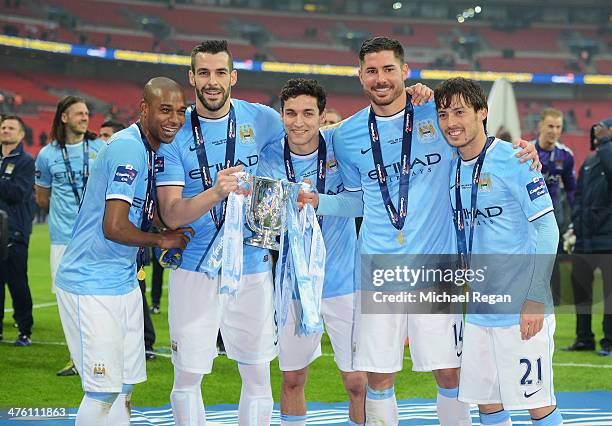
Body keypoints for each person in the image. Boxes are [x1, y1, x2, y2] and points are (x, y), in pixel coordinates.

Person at [321, 37, 539, 425]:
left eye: (389, 69)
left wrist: (522, 152)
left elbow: (477, 141)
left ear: (406, 71)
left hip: (437, 267)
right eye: (371, 71)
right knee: (379, 375)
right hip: (379, 269)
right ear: (360, 77)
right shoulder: (347, 135)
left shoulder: (435, 115)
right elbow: (358, 200)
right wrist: (315, 202)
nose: (381, 78)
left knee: (450, 371)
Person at [155, 40, 285, 426]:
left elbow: (309, 131)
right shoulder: (176, 133)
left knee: (258, 373)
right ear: (191, 77)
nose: (212, 82)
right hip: (195, 268)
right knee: (189, 374)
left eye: (220, 73)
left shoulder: (263, 119)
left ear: (233, 77)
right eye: (204, 73)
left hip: (252, 266)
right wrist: (215, 191)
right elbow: (172, 213)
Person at [54, 77, 193, 425]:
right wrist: (161, 240)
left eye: (180, 111)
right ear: (144, 109)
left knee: (126, 384)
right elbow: (113, 226)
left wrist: (161, 227)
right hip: (91, 284)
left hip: (123, 280)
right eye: (165, 110)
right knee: (102, 392)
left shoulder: (149, 148)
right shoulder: (128, 148)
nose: (174, 119)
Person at [435, 77, 562, 426]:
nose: (451, 122)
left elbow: (548, 230)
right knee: (487, 404)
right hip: (477, 312)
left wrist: (535, 298)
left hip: (521, 308)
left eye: (460, 112)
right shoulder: (447, 165)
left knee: (538, 403)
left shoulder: (514, 159)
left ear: (482, 112)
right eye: (443, 114)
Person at [257, 78, 366, 425]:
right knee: (292, 378)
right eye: (290, 113)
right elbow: (266, 221)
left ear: (322, 116)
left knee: (356, 382)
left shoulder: (340, 149)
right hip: (294, 283)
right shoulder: (269, 156)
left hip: (342, 281)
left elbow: (359, 202)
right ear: (281, 115)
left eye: (307, 113)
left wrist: (321, 202)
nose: (298, 122)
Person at [34, 96, 104, 376]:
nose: (85, 118)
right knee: (67, 301)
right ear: (63, 117)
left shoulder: (100, 148)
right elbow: (42, 199)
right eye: (79, 113)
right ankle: (78, 359)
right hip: (63, 238)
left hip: (98, 237)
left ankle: (101, 354)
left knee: (98, 298)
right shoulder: (47, 155)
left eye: (87, 113)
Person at [565, 118, 612, 356]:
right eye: (596, 131)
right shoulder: (590, 161)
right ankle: (584, 338)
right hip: (585, 239)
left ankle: (610, 341)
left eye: (603, 130)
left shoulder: (606, 156)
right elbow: (580, 197)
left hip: (608, 239)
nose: (597, 134)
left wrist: (605, 143)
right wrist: (575, 225)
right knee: (581, 290)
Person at [532, 108, 576, 305]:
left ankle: (555, 299)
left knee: (554, 258)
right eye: (550, 126)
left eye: (558, 127)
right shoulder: (526, 152)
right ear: (540, 125)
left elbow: (571, 189)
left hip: (553, 215)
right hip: (529, 215)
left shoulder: (565, 156)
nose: (554, 131)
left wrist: (575, 219)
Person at [0, 115, 34, 346]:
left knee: (17, 282)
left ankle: (24, 329)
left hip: (14, 231)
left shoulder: (25, 161)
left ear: (21, 134)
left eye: (11, 128)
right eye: (3, 127)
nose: (5, 130)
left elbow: (17, 193)